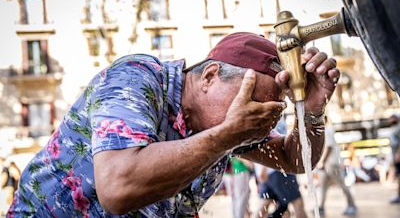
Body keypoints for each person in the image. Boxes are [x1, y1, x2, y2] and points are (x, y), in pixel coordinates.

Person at [8, 32, 340, 217]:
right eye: (252, 99)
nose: (257, 116)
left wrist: (311, 111)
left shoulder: (235, 124)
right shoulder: (136, 78)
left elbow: (292, 159)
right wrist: (226, 136)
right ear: (209, 76)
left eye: (268, 109)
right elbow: (118, 189)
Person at [255, 117, 307, 218]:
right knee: (297, 203)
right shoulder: (271, 114)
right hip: (278, 169)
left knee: (265, 205)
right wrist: (264, 168)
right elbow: (268, 142)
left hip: (273, 170)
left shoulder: (273, 114)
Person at [318, 116, 357, 215]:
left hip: (332, 164)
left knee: (342, 185)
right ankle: (321, 207)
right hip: (327, 164)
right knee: (323, 186)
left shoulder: (327, 130)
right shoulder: (324, 131)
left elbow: (329, 147)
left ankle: (352, 205)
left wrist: (323, 162)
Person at [388, 114, 400, 203]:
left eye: (392, 118)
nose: (390, 120)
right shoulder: (394, 128)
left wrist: (398, 153)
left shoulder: (398, 128)